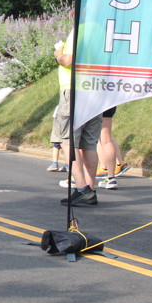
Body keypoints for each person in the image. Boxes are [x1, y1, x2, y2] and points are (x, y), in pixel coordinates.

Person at [52, 19, 103, 206]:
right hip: (94, 88)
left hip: (74, 89)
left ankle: (82, 188)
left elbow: (69, 60)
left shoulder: (80, 29)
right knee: (89, 143)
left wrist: (58, 54)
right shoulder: (101, 29)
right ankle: (90, 188)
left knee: (67, 140)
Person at [95, 107, 130, 190]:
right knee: (106, 139)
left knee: (94, 138)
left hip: (96, 105)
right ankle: (111, 178)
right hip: (109, 104)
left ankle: (79, 179)